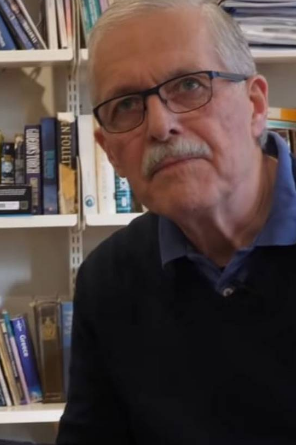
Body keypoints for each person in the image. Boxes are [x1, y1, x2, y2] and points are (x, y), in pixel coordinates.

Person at [57, 0, 296, 444]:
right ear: (108, 150)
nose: (160, 125)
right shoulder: (107, 280)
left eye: (189, 85)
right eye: (127, 105)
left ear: (256, 105)